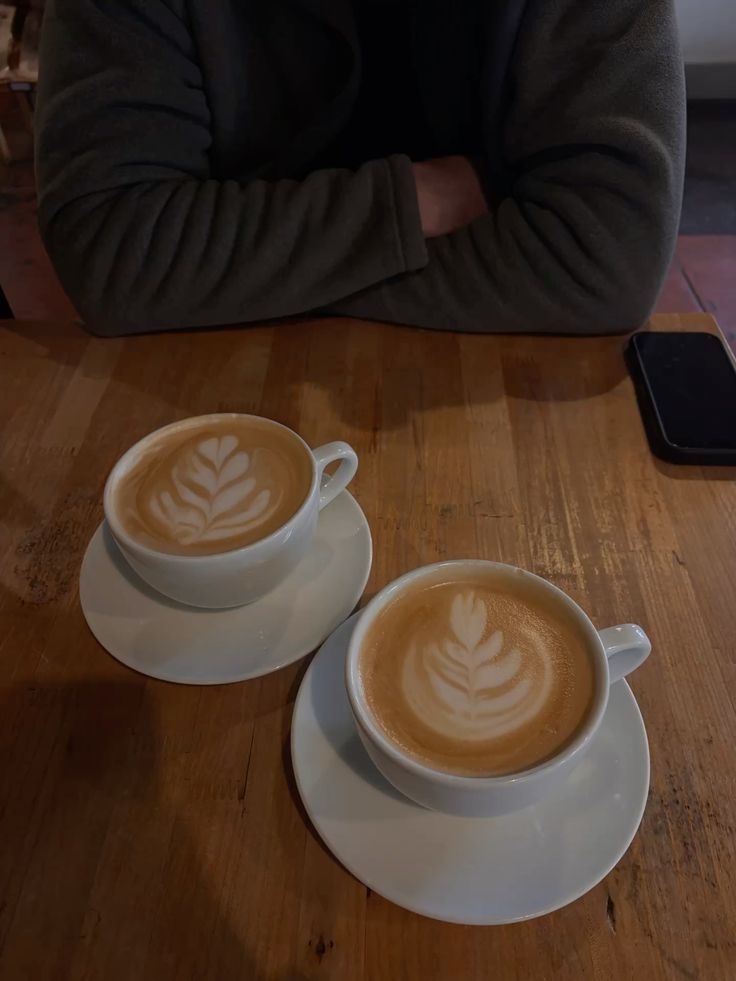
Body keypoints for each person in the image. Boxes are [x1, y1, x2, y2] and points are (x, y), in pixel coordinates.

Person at [35, 0, 685, 337]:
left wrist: (235, 276)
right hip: (203, 406)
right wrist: (411, 205)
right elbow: (113, 247)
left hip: (506, 416)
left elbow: (607, 254)